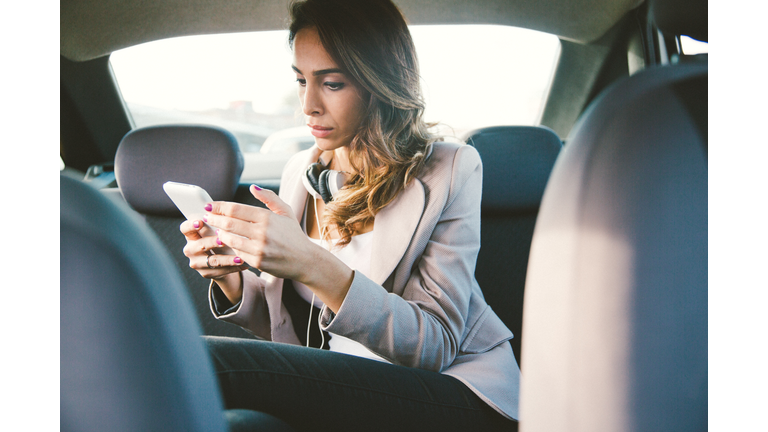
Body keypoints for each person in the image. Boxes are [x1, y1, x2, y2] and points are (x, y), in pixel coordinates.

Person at [179, 0, 521, 430]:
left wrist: (311, 262)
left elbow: (435, 346)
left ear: (381, 82)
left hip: (451, 391)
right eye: (301, 80)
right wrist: (231, 277)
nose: (308, 104)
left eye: (333, 83)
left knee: (207, 362)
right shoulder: (300, 173)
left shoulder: (451, 168)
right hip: (351, 388)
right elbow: (295, 335)